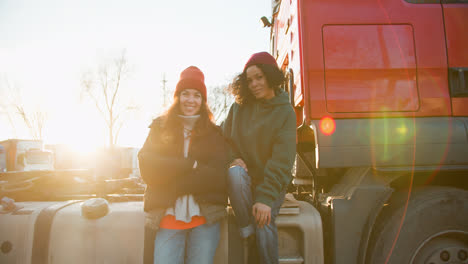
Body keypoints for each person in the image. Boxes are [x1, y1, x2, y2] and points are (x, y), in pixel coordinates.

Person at [138, 66, 229, 264]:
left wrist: (171, 177)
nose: (190, 100)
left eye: (197, 95)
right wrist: (190, 165)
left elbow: (218, 177)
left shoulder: (214, 134)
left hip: (205, 218)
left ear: (203, 101)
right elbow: (148, 167)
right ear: (177, 97)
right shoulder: (159, 127)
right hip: (168, 217)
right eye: (185, 94)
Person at [222, 52, 297, 264]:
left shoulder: (285, 112)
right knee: (234, 173)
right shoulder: (238, 107)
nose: (254, 84)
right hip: (244, 182)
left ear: (271, 77)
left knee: (264, 222)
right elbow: (224, 139)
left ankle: (259, 248)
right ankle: (248, 233)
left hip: (271, 183)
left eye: (259, 77)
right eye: (249, 80)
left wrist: (265, 199)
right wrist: (233, 158)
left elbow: (282, 161)